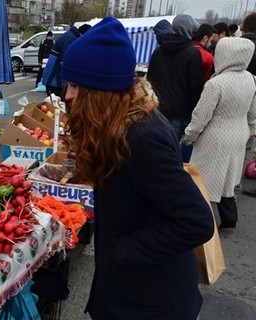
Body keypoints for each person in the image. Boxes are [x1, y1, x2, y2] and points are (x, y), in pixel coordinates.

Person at [60, 16, 214, 319]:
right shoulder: (119, 125)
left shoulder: (142, 138)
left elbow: (196, 221)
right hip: (126, 289)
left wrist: (123, 251)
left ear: (100, 91)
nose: (67, 94)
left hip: (152, 302)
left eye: (76, 85)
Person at [182, 37, 256, 230]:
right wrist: (251, 130)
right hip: (239, 133)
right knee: (228, 178)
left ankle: (201, 223)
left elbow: (201, 116)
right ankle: (229, 217)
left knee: (204, 181)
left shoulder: (216, 84)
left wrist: (189, 136)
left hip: (215, 138)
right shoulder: (251, 78)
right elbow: (253, 112)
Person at [147, 14, 203, 163]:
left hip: (157, 110)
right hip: (181, 113)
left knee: (156, 149)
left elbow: (149, 80)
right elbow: (195, 87)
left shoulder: (158, 52)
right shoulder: (192, 53)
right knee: (175, 154)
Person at [42, 24, 91, 98]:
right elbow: (65, 62)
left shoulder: (71, 36)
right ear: (83, 34)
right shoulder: (70, 39)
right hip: (55, 81)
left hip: (56, 80)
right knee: (58, 106)